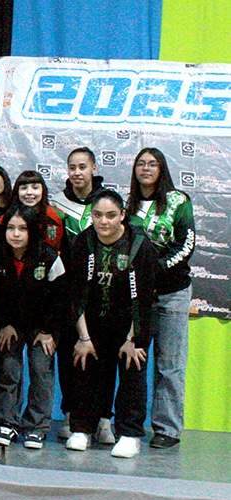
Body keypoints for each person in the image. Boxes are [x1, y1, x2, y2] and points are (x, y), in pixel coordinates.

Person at [66, 189, 157, 458]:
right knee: (85, 365)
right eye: (97, 215)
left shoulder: (140, 246)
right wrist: (83, 338)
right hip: (93, 321)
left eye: (110, 215)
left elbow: (145, 298)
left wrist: (133, 340)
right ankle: (82, 428)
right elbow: (75, 294)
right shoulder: (83, 242)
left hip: (130, 323)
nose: (103, 221)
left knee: (133, 364)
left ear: (123, 216)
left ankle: (130, 434)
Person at [126, 148, 196, 449]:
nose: (146, 168)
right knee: (134, 361)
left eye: (152, 164)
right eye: (141, 164)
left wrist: (155, 269)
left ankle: (167, 429)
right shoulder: (128, 205)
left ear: (162, 169)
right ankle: (130, 426)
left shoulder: (178, 201)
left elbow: (186, 245)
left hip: (172, 293)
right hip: (138, 297)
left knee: (170, 365)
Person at [0, 204, 67, 448]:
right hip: (9, 324)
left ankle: (36, 427)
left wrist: (47, 331)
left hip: (42, 327)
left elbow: (60, 299)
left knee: (41, 370)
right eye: (11, 228)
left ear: (32, 231)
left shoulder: (49, 257)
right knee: (8, 369)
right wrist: (5, 324)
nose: (16, 234)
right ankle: (6, 422)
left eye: (22, 229)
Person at [50, 147, 106, 441]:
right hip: (68, 293)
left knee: (102, 357)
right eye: (72, 167)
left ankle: (103, 417)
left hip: (102, 292)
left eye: (82, 166)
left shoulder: (107, 202)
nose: (77, 172)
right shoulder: (57, 203)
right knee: (69, 356)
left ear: (93, 168)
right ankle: (71, 413)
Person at [11, 170, 66, 254]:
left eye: (35, 188)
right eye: (24, 188)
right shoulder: (7, 218)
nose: (29, 192)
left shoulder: (57, 216)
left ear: (43, 190)